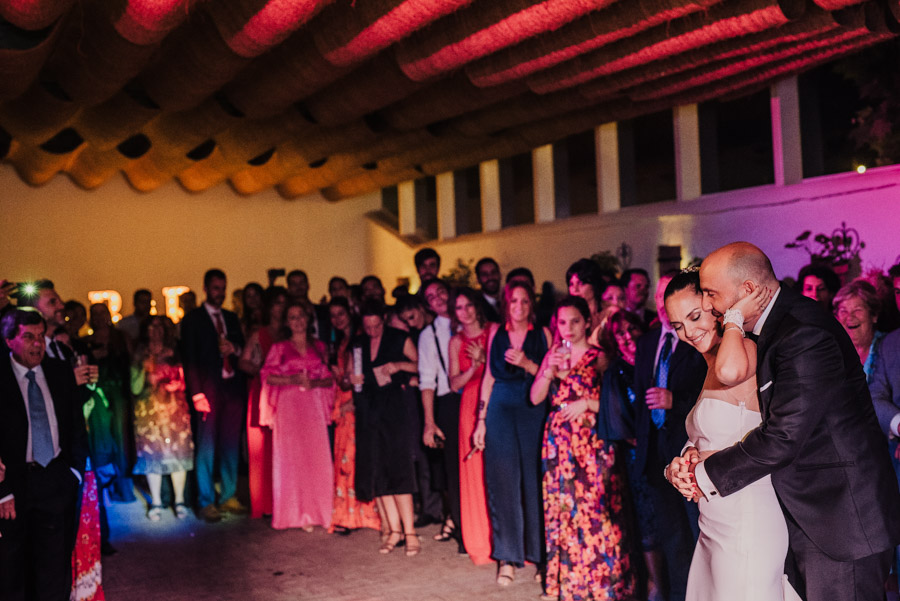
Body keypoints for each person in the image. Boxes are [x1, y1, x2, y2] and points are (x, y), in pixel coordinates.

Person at [673, 242, 900, 601]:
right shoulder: (769, 328)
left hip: (840, 520)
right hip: (804, 515)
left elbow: (784, 436)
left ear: (747, 290)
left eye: (713, 294)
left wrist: (705, 474)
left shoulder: (803, 332)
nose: (711, 305)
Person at [662, 269, 800, 600]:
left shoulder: (744, 352)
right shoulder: (708, 366)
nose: (688, 332)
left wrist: (734, 317)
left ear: (715, 306)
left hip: (747, 521)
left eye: (695, 317)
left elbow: (730, 376)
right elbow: (708, 436)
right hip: (714, 523)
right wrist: (678, 467)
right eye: (678, 326)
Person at [531, 296, 635, 600]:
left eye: (575, 321)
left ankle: (603, 583)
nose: (568, 328)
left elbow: (615, 401)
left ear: (587, 321)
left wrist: (586, 404)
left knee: (595, 509)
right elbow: (535, 397)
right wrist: (548, 370)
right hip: (558, 441)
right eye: (562, 322)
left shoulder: (599, 356)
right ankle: (569, 582)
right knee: (563, 508)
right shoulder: (553, 354)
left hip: (592, 440)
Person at [0, 308, 88, 601]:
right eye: (28, 337)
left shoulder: (59, 372)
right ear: (9, 339)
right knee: (12, 567)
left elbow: (76, 425)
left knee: (53, 566)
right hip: (14, 486)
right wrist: (3, 491)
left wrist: (74, 472)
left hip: (55, 479)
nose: (37, 344)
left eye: (41, 336)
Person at [632, 272, 706, 601]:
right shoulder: (648, 341)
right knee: (670, 535)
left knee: (695, 532)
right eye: (661, 297)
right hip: (654, 453)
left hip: (688, 447)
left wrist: (675, 401)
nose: (664, 305)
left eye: (670, 296)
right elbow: (637, 394)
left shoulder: (698, 340)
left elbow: (712, 394)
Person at [472, 281, 551, 585]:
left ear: (532, 304)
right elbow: (489, 378)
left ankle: (541, 555)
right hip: (500, 409)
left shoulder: (543, 334)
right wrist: (481, 419)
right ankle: (507, 557)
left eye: (525, 301)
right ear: (507, 304)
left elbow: (549, 375)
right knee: (503, 482)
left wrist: (527, 363)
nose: (519, 307)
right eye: (514, 302)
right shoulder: (496, 332)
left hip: (533, 408)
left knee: (535, 483)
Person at [349, 301, 421, 556]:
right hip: (369, 411)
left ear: (384, 319)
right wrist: (352, 378)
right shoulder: (357, 343)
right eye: (367, 327)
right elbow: (351, 375)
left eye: (376, 325)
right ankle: (394, 530)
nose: (372, 331)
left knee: (399, 471)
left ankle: (411, 532)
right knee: (378, 471)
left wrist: (398, 366)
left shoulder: (399, 338)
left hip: (395, 409)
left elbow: (422, 366)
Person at [180, 269, 247, 522]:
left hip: (231, 388)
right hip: (207, 390)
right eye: (216, 288)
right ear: (206, 288)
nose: (220, 293)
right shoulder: (193, 319)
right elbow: (190, 358)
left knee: (230, 445)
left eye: (223, 288)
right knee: (206, 447)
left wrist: (235, 347)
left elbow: (242, 348)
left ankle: (229, 495)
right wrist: (196, 393)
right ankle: (206, 500)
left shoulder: (230, 318)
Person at [260, 302, 335, 531]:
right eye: (292, 317)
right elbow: (268, 376)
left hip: (313, 405)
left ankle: (321, 510)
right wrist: (292, 380)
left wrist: (313, 382)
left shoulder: (320, 345)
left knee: (317, 456)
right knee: (292, 459)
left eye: (301, 316)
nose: (298, 321)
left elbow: (330, 378)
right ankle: (298, 513)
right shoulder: (280, 347)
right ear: (287, 322)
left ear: (307, 318)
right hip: (289, 406)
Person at [326, 297, 380, 535]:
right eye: (333, 315)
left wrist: (347, 385)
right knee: (344, 457)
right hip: (343, 400)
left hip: (354, 402)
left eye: (341, 313)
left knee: (355, 457)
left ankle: (363, 513)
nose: (338, 319)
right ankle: (347, 514)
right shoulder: (343, 341)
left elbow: (356, 378)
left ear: (350, 312)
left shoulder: (359, 339)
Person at [131, 316, 193, 521]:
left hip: (175, 411)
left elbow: (186, 379)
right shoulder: (140, 352)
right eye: (151, 327)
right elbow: (135, 387)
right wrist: (144, 369)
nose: (156, 331)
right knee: (152, 456)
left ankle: (179, 501)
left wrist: (173, 383)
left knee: (178, 454)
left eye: (160, 327)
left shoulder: (176, 350)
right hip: (148, 412)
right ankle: (156, 502)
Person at [417, 279, 463, 552]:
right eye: (431, 297)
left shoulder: (469, 320)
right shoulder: (429, 334)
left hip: (479, 398)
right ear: (428, 305)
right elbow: (427, 381)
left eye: (441, 292)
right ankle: (461, 530)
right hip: (449, 402)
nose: (438, 299)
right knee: (454, 473)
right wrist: (429, 422)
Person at [447, 287, 491, 566]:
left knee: (495, 471)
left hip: (492, 403)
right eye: (459, 308)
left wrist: (485, 361)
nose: (465, 312)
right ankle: (480, 541)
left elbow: (501, 369)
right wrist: (473, 366)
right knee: (474, 473)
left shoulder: (494, 330)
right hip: (468, 407)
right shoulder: (455, 341)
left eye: (469, 306)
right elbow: (454, 384)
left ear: (477, 306)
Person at [238, 285, 287, 519]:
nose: (281, 307)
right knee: (263, 447)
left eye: (283, 302)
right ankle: (265, 503)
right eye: (276, 303)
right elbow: (243, 362)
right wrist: (262, 370)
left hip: (288, 393)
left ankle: (285, 499)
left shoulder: (292, 332)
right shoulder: (260, 333)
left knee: (285, 447)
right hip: (264, 392)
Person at [83, 303, 135, 504]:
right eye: (94, 313)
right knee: (101, 438)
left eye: (101, 313)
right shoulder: (87, 341)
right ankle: (104, 485)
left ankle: (124, 487)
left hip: (120, 393)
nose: (98, 317)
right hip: (97, 394)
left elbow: (132, 364)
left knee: (122, 440)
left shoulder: (121, 338)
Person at [833, 280, 884, 377]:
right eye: (844, 311)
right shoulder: (832, 352)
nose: (850, 317)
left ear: (874, 315)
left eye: (857, 310)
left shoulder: (890, 347)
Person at [475, 257, 502, 323]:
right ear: (478, 279)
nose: (490, 277)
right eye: (484, 274)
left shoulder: (510, 299)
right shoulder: (475, 305)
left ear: (500, 275)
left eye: (493, 272)